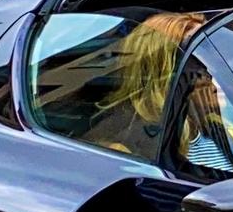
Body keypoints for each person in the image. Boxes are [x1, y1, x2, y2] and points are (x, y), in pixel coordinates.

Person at [85, 11, 205, 155]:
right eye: (196, 59)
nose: (209, 70)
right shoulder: (129, 142)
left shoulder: (216, 121)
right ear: (162, 71)